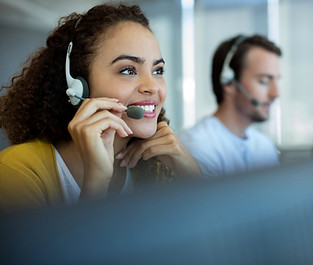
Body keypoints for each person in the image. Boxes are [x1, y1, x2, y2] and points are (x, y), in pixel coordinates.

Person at [0, 4, 201, 214]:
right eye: (128, 70)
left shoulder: (155, 166)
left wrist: (193, 178)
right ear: (78, 85)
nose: (152, 87)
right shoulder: (16, 173)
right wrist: (96, 183)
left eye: (158, 70)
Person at [178, 34, 281, 178]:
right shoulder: (196, 146)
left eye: (276, 80)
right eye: (264, 81)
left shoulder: (264, 147)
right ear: (229, 82)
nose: (276, 93)